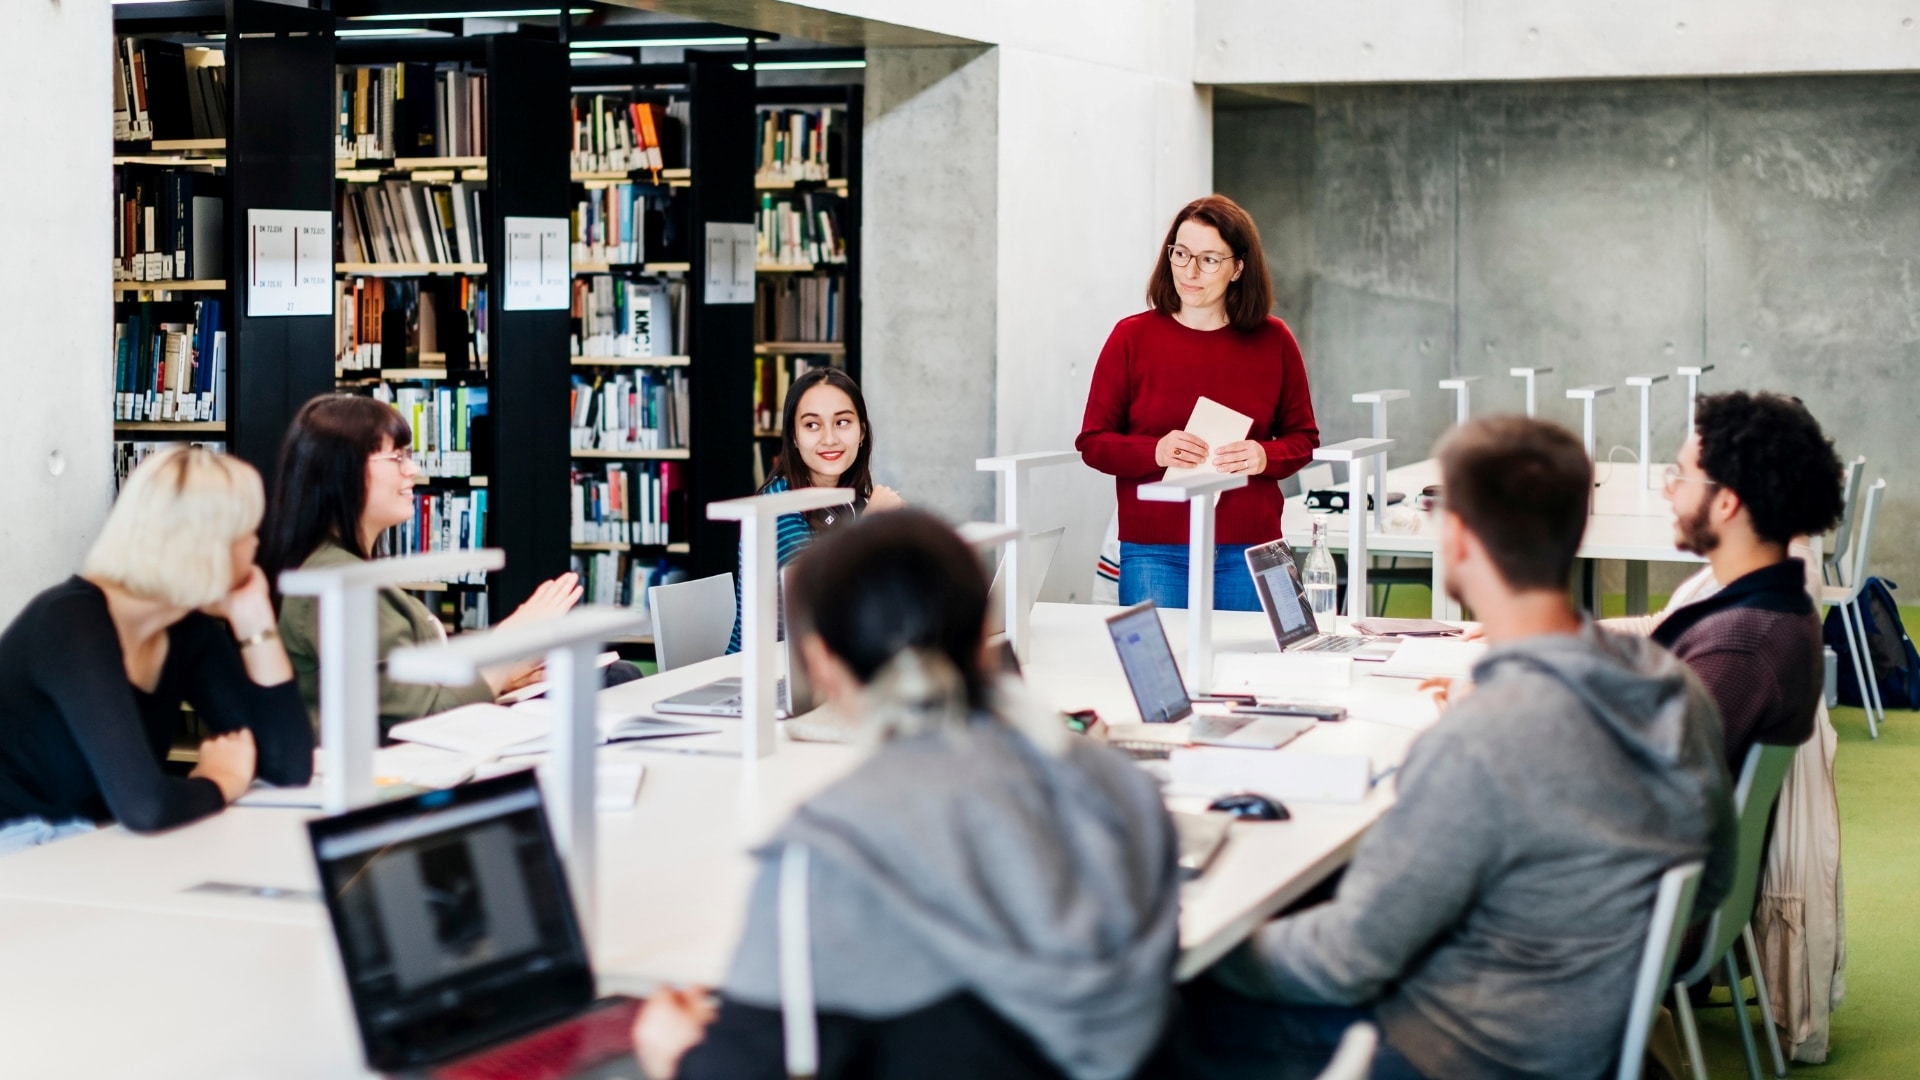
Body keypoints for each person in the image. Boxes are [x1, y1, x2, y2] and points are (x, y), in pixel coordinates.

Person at [1192, 416, 1735, 1080]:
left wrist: (1202, 940)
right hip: (1589, 1037)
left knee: (1167, 1009)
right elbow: (1711, 879)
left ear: (1458, 539)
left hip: (1455, 1051)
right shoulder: (1675, 689)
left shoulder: (1478, 740)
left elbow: (1343, 960)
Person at [636, 511, 1183, 1080]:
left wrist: (671, 1051)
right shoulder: (1120, 785)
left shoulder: (827, 850)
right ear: (982, 636)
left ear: (821, 663)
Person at [0, 447, 313, 853]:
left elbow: (288, 766)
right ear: (206, 548)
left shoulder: (185, 629)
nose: (257, 545)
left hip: (83, 851)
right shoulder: (70, 623)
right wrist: (221, 780)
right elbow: (145, 807)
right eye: (247, 532)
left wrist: (256, 622)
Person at [260, 395, 588, 733]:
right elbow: (430, 719)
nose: (413, 469)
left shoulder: (337, 568)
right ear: (344, 470)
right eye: (397, 457)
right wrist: (516, 632)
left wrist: (500, 674)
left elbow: (408, 693)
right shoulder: (339, 585)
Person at [1076, 194, 1319, 612]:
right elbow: (1094, 442)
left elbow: (1303, 438)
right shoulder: (1130, 339)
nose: (1190, 271)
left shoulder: (1274, 341)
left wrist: (1264, 455)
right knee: (1158, 674)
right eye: (1181, 253)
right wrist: (1155, 449)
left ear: (1238, 267)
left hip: (1252, 548)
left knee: (1254, 674)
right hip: (1155, 549)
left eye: (1208, 259)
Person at [1652, 391, 1844, 771]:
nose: (1667, 491)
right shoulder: (1770, 607)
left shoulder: (1742, 646)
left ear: (1726, 502)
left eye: (1680, 476)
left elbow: (1650, 779)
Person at [726, 367, 903, 653]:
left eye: (842, 422)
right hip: (762, 675)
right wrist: (870, 528)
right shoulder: (777, 507)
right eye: (812, 425)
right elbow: (816, 609)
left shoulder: (849, 500)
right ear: (794, 437)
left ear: (862, 431)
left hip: (827, 665)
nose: (829, 438)